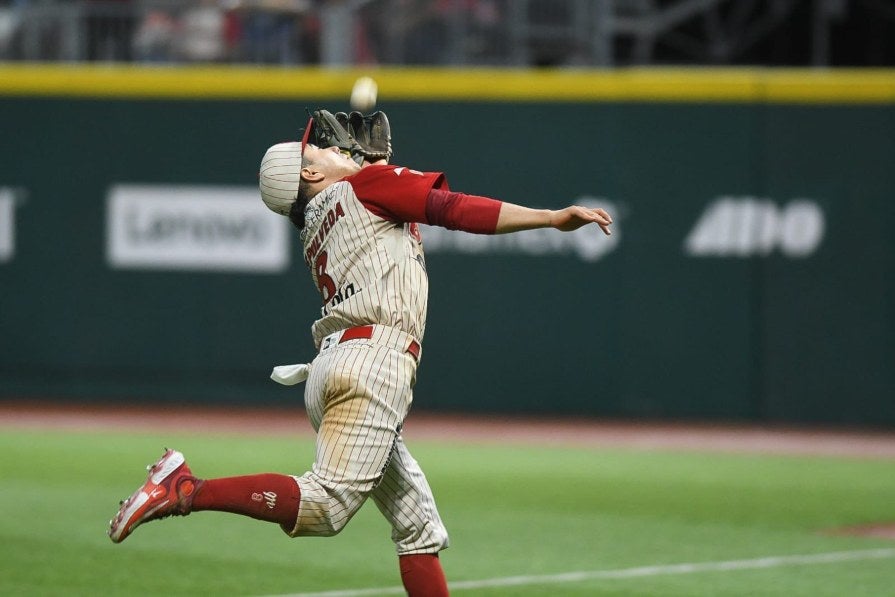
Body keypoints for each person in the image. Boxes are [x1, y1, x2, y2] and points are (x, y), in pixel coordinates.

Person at [107, 110, 612, 596]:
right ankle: (187, 488)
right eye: (320, 148)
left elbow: (390, 213)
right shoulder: (365, 187)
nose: (333, 146)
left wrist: (368, 166)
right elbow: (451, 209)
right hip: (373, 364)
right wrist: (550, 218)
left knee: (418, 527)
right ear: (309, 171)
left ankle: (187, 488)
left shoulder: (324, 217)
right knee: (326, 507)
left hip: (337, 366)